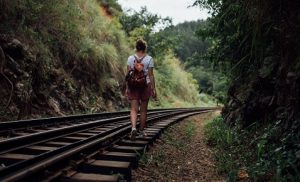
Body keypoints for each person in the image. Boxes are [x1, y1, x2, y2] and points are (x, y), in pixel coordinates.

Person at [125, 39, 157, 140]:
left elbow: (128, 75)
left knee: (133, 109)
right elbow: (151, 75)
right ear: (145, 48)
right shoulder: (149, 59)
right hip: (145, 85)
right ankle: (142, 131)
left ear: (136, 48)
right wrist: (153, 89)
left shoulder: (130, 58)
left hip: (133, 86)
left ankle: (133, 128)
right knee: (143, 110)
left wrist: (127, 88)